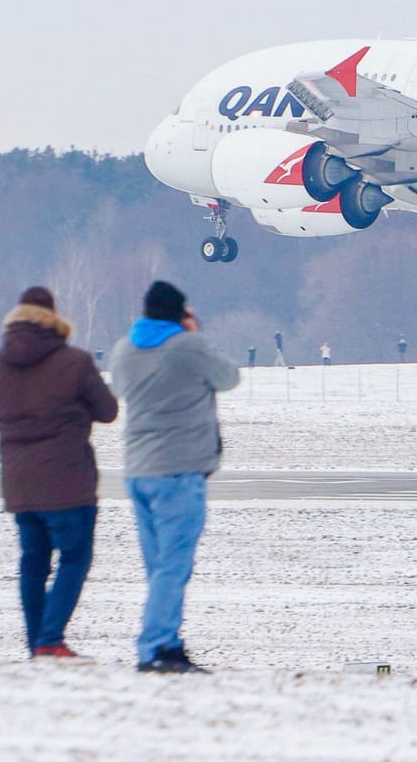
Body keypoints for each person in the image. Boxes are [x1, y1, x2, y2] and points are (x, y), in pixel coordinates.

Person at [0, 287, 119, 659]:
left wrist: (17, 427)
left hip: (19, 484)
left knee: (32, 564)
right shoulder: (75, 362)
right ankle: (50, 638)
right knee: (75, 558)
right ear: (54, 319)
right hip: (68, 480)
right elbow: (107, 411)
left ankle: (36, 640)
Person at [110, 281, 240, 674]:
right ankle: (153, 648)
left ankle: (169, 642)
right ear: (180, 314)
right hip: (179, 470)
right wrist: (194, 335)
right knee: (174, 565)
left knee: (159, 566)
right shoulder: (188, 346)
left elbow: (117, 388)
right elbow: (229, 377)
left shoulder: (124, 350)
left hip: (138, 469)